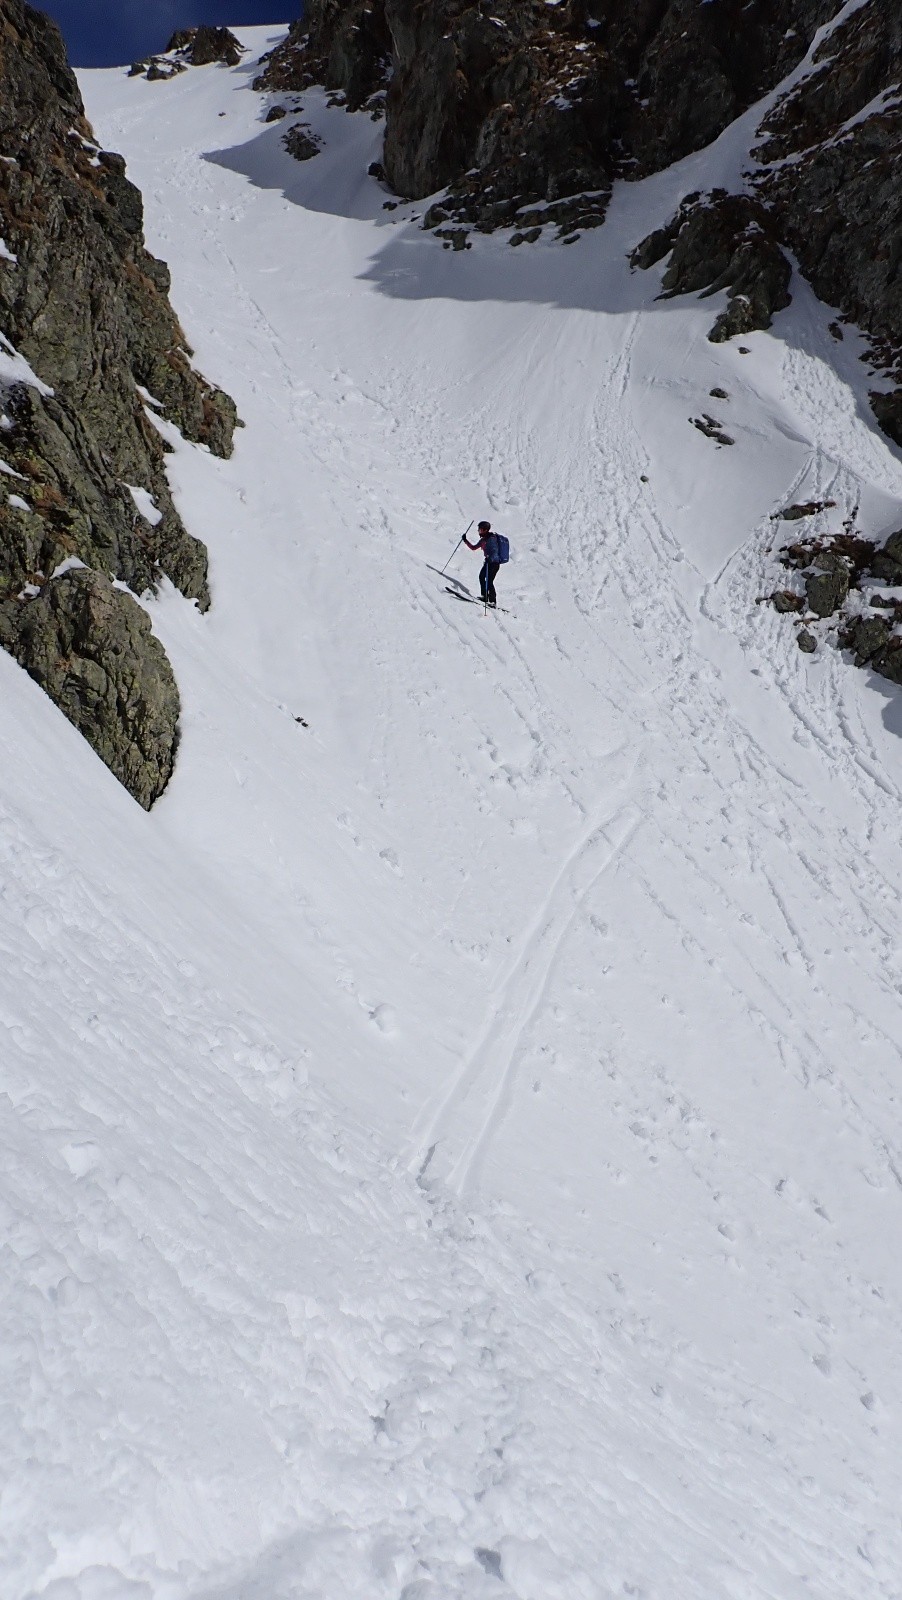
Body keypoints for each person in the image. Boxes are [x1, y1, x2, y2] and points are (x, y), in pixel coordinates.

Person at [462, 520, 501, 606]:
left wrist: (489, 558)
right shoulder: (483, 540)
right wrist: (465, 540)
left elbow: (494, 550)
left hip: (494, 563)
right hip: (488, 563)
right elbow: (473, 547)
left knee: (489, 581)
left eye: (480, 529)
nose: (478, 531)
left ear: (485, 530)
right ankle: (485, 596)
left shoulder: (492, 538)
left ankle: (493, 601)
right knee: (481, 577)